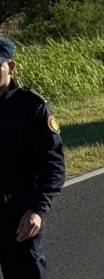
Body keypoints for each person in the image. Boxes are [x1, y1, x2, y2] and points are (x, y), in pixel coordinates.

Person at [0, 36, 65, 279]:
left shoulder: (32, 107)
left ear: (11, 66)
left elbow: (54, 166)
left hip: (19, 214)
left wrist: (37, 210)